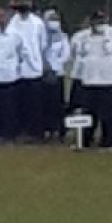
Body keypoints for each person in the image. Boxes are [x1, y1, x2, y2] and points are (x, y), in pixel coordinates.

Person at [75, 10, 112, 148]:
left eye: (102, 21)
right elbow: (76, 56)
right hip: (89, 80)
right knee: (89, 114)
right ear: (91, 21)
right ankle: (85, 140)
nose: (99, 24)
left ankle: (110, 141)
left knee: (110, 115)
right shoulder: (82, 37)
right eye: (97, 21)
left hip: (109, 81)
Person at [6, 0, 47, 142]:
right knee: (19, 103)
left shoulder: (38, 23)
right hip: (17, 69)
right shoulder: (12, 22)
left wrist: (34, 58)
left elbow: (42, 44)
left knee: (34, 104)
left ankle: (35, 132)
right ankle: (20, 131)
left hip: (34, 69)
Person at [0, 6, 27, 142]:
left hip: (10, 77)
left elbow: (21, 54)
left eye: (3, 16)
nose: (0, 19)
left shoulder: (16, 35)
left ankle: (9, 134)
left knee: (9, 108)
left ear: (8, 18)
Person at [41, 9, 70, 142]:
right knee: (43, 104)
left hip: (58, 74)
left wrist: (54, 67)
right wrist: (45, 66)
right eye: (51, 18)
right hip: (42, 74)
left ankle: (58, 130)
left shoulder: (63, 37)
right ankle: (45, 129)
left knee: (57, 104)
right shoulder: (40, 36)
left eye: (56, 18)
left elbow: (66, 55)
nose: (54, 21)